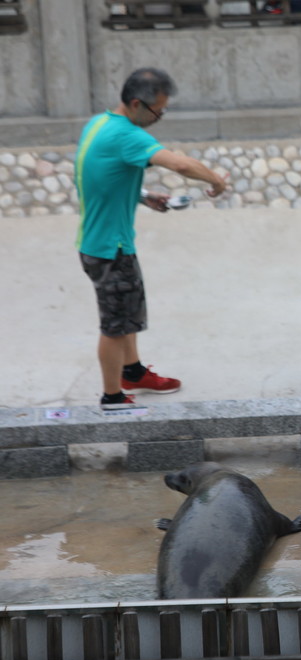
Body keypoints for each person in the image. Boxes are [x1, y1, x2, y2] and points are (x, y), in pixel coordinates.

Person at [76, 68, 229, 410]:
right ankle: (112, 397)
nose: (159, 117)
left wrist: (142, 195)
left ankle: (132, 372)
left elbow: (100, 177)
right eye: (157, 111)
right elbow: (181, 165)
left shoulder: (99, 124)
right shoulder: (127, 135)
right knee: (115, 326)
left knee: (127, 314)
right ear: (136, 103)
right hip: (109, 250)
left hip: (100, 242)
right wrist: (217, 182)